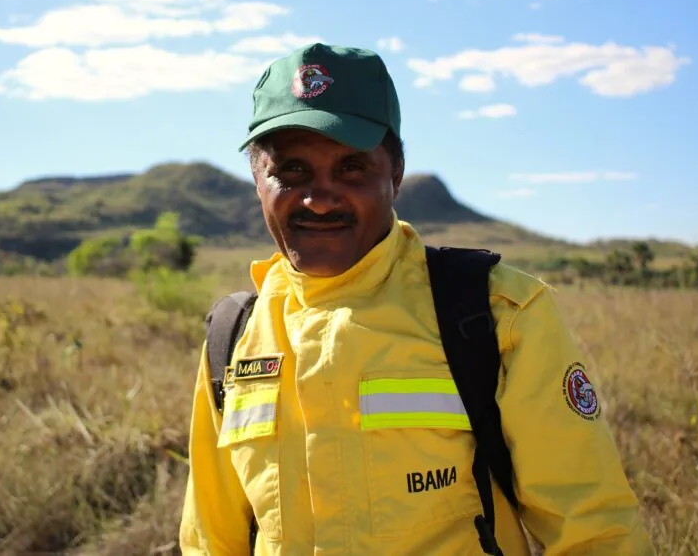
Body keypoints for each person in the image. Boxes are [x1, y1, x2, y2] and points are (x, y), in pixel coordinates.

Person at [179, 43, 655, 555]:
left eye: (351, 168)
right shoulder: (234, 337)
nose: (319, 199)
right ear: (257, 179)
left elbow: (595, 534)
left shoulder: (497, 312)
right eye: (292, 171)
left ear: (396, 173)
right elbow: (211, 541)